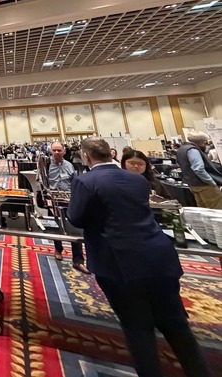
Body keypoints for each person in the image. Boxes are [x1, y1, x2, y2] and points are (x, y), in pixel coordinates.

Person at [68, 137, 210, 377]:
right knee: (176, 325)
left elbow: (76, 218)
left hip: (120, 262)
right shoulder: (137, 180)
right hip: (159, 256)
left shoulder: (85, 181)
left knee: (138, 329)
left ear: (86, 156)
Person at [47, 142, 89, 274]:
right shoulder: (46, 165)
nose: (57, 152)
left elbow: (75, 183)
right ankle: (58, 249)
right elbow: (41, 182)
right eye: (54, 150)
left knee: (74, 228)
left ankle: (78, 259)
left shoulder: (70, 166)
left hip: (69, 200)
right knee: (55, 227)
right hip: (53, 201)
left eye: (59, 150)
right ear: (51, 151)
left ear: (64, 151)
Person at [175, 131, 222, 209]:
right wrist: (212, 182)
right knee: (217, 209)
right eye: (204, 142)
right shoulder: (193, 150)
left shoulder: (181, 149)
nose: (205, 144)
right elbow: (198, 169)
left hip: (193, 185)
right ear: (200, 141)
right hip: (204, 185)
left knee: (202, 209)